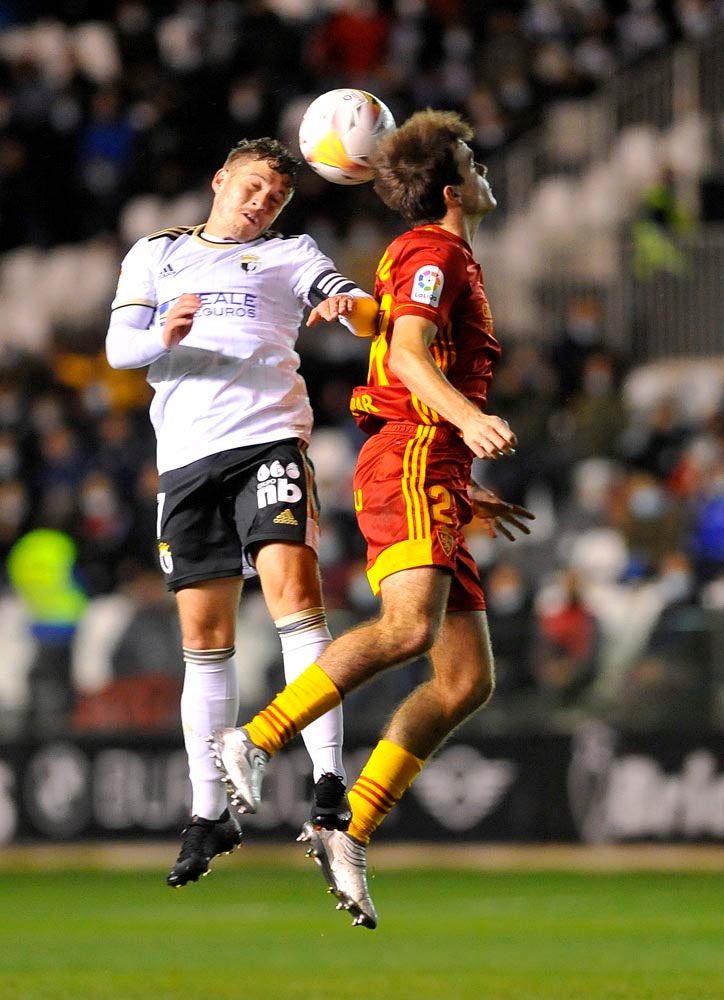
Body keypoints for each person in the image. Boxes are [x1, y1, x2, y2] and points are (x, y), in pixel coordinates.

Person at [210, 110, 533, 928]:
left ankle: (346, 825)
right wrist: (466, 422)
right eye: (473, 156)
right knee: (405, 631)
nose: (484, 165)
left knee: (467, 680)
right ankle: (255, 737)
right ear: (454, 188)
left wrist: (464, 484)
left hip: (439, 470)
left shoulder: (441, 255)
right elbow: (412, 356)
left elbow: (406, 346)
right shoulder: (434, 251)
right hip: (416, 452)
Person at [105, 137, 379, 888]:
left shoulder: (292, 254)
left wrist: (350, 307)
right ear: (220, 179)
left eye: (276, 196)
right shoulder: (157, 255)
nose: (262, 203)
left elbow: (356, 311)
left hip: (269, 442)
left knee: (295, 598)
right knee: (205, 638)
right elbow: (118, 346)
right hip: (187, 459)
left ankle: (328, 786)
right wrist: (164, 334)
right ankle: (208, 815)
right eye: (254, 187)